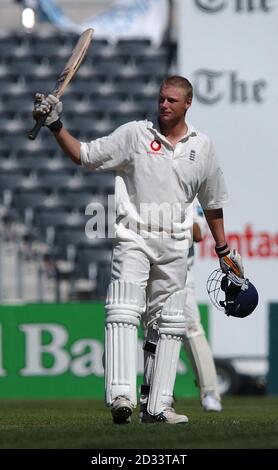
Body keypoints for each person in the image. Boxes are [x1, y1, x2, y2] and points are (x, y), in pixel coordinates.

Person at [32, 75, 244, 424]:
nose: (163, 105)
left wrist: (223, 249)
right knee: (123, 309)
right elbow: (84, 156)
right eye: (161, 98)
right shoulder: (135, 134)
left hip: (177, 243)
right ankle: (121, 396)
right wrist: (56, 125)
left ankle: (157, 406)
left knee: (169, 323)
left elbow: (213, 204)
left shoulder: (202, 146)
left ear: (187, 103)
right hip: (134, 235)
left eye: (172, 101)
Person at [139, 198, 222, 420]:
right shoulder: (147, 187)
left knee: (192, 329)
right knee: (153, 330)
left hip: (181, 273)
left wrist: (172, 217)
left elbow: (198, 234)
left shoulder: (188, 193)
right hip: (148, 268)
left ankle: (210, 393)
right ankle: (157, 397)